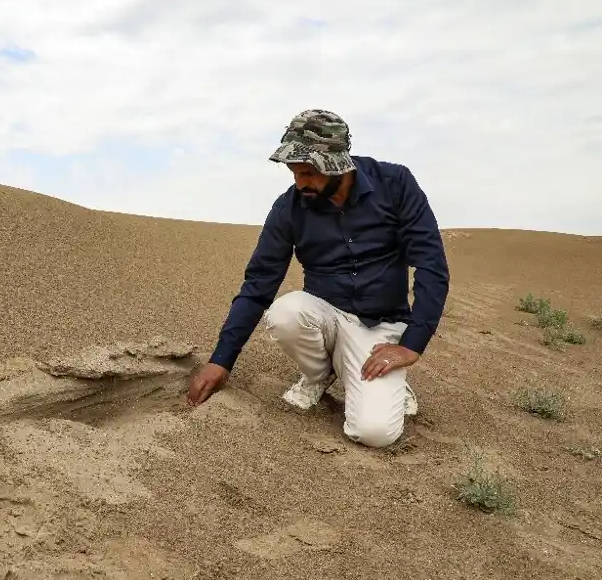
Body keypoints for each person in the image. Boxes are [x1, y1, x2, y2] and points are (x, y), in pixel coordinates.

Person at [186, 109, 449, 448]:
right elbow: (258, 285)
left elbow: (431, 266)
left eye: (309, 172)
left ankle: (385, 378)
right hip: (324, 314)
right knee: (285, 313)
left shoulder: (395, 184)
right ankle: (319, 375)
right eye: (294, 171)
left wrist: (411, 345)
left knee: (374, 434)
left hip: (380, 324)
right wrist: (220, 361)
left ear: (338, 164)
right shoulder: (289, 208)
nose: (300, 182)